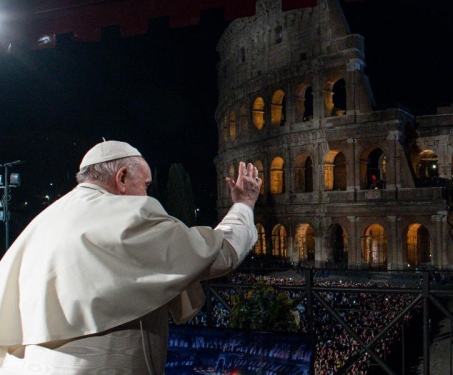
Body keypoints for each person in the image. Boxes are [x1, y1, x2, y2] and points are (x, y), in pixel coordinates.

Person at [0, 140, 262, 374]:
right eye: (145, 185)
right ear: (122, 177)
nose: (147, 194)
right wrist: (243, 205)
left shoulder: (43, 220)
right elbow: (218, 253)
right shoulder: (130, 215)